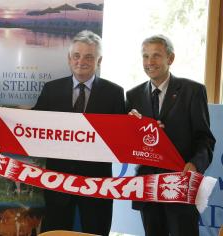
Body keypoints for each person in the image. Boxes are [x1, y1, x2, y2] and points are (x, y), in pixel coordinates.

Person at [33, 30, 125, 235]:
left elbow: (122, 135)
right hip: (58, 180)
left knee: (96, 231)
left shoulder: (115, 93)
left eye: (89, 56)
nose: (81, 61)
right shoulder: (51, 90)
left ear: (99, 60)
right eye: (76, 55)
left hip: (97, 184)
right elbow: (32, 125)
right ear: (69, 58)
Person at [126, 34, 216, 236]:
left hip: (180, 185)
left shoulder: (193, 91)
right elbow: (129, 145)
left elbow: (205, 139)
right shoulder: (132, 95)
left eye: (156, 55)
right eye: (145, 56)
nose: (150, 62)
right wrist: (130, 129)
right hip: (147, 187)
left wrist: (195, 165)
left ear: (170, 58)